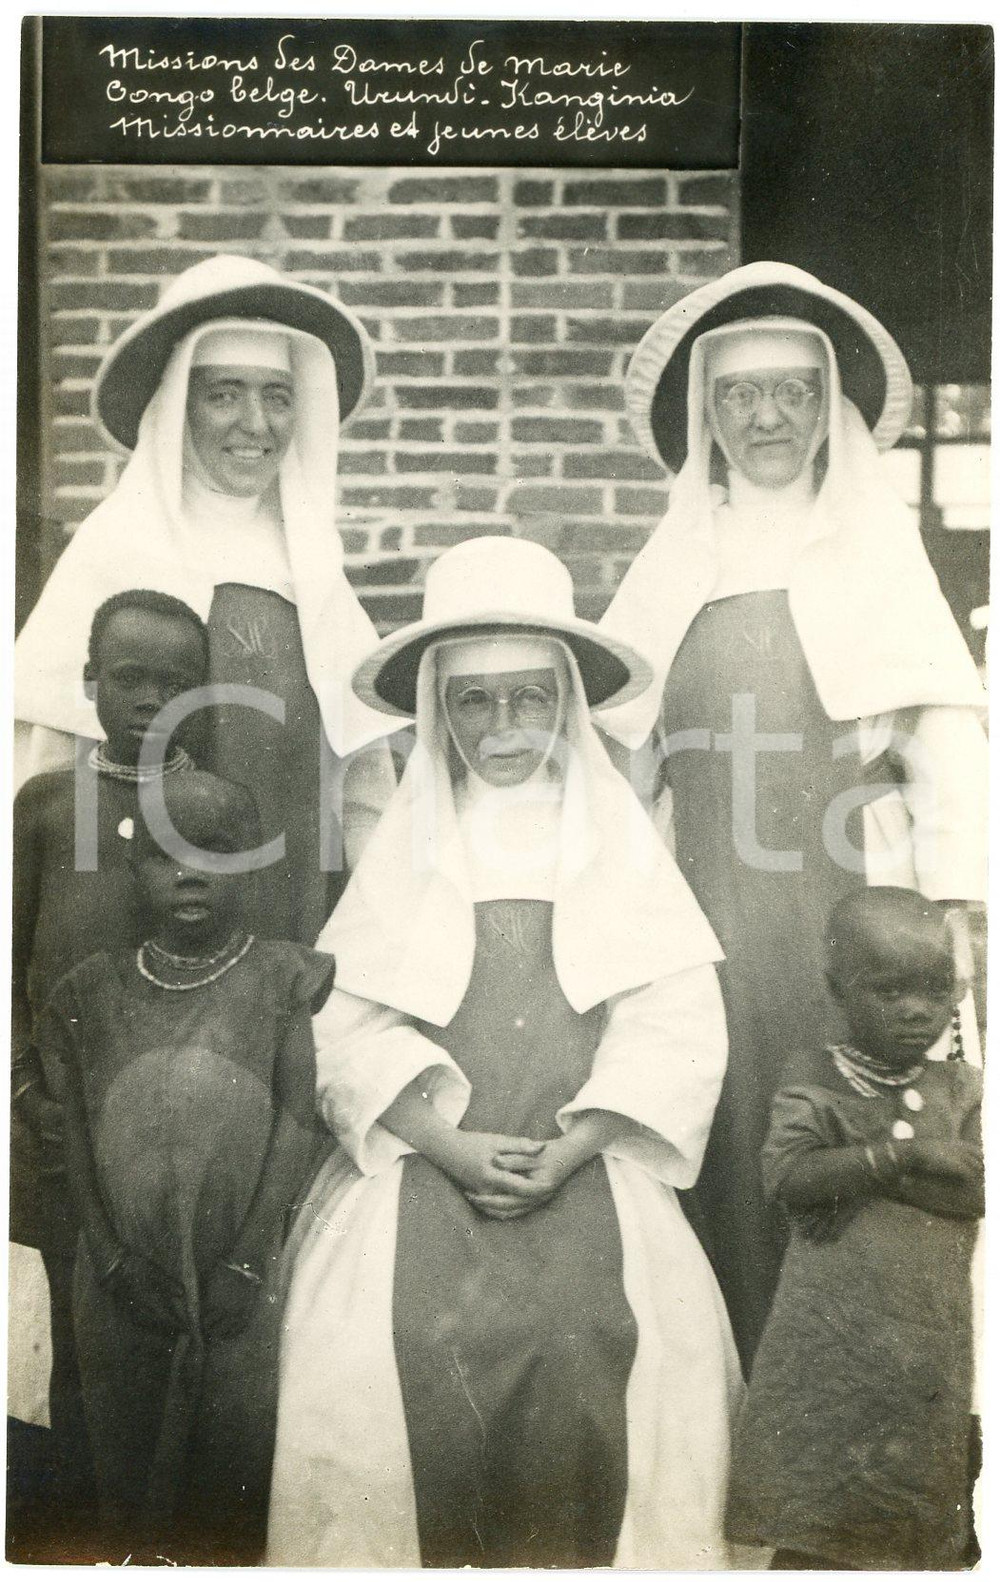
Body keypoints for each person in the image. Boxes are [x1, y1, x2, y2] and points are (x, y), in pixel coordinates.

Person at [267, 536, 743, 1570]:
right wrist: (444, 1141)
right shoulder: (408, 846)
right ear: (439, 710)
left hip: (583, 1156)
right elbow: (345, 1026)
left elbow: (673, 1020)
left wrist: (575, 1147)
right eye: (474, 704)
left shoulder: (615, 846)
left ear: (565, 706)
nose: (504, 728)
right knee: (377, 1352)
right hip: (437, 1158)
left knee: (593, 1340)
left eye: (529, 699)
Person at [599, 260, 987, 1366]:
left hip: (848, 906)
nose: (766, 417)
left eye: (792, 393)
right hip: (704, 909)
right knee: (724, 1130)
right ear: (706, 415)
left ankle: (840, 1397)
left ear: (828, 409)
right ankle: (727, 1387)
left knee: (850, 1134)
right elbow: (622, 764)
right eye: (738, 394)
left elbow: (945, 743)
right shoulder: (673, 560)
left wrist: (957, 901)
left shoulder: (874, 551)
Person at [14, 252, 398, 945]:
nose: (256, 424)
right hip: (130, 929)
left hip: (291, 921)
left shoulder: (314, 569)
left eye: (278, 397)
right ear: (180, 404)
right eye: (225, 393)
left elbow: (364, 788)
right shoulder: (114, 552)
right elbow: (42, 774)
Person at [36, 771, 335, 1564]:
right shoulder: (90, 992)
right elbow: (75, 1140)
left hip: (241, 1267)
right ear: (135, 870)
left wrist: (248, 1255)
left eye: (217, 850)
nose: (191, 872)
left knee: (231, 1466)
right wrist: (109, 1258)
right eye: (167, 853)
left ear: (252, 867)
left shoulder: (280, 979)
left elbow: (297, 1121)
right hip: (119, 1280)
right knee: (128, 1470)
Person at [10, 588, 208, 1529]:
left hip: (174, 1124)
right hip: (56, 1123)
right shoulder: (47, 805)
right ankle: (77, 1521)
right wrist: (22, 1085)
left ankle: (160, 1522)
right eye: (131, 678)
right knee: (71, 1320)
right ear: (89, 681)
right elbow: (13, 966)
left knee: (167, 1321)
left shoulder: (218, 807)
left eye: (178, 684)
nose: (151, 699)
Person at [725, 887, 982, 1570]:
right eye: (889, 991)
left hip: (926, 1340)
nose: (916, 1010)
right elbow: (787, 1177)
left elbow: (976, 1189)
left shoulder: (966, 1088)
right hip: (832, 1342)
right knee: (819, 1516)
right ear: (838, 989)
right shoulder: (813, 1077)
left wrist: (861, 1169)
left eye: (933, 990)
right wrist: (909, 1156)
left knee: (917, 1512)